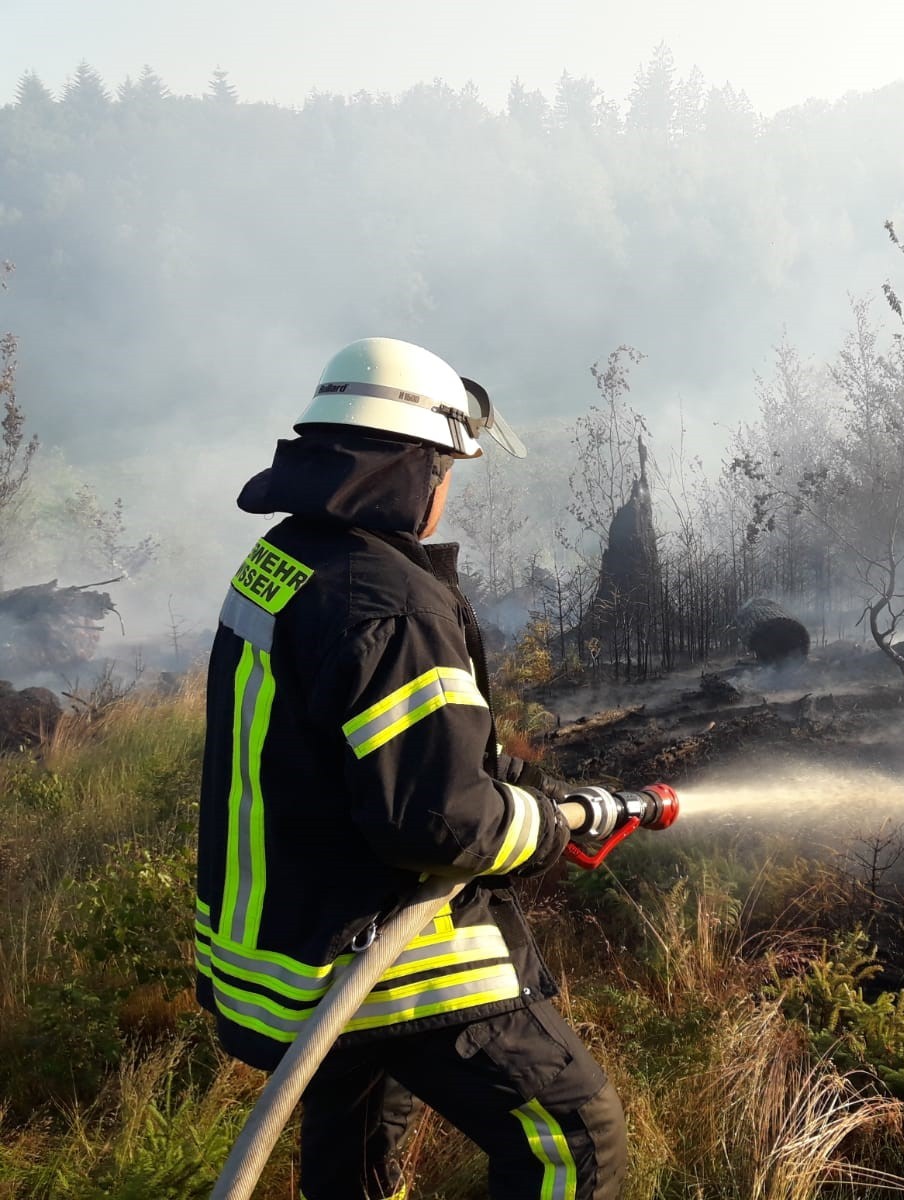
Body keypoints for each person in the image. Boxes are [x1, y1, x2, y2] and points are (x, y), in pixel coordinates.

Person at [195, 337, 625, 1200]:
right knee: (573, 1142)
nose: (448, 491)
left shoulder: (287, 558)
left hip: (276, 956)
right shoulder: (387, 604)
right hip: (365, 954)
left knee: (356, 1149)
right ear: (417, 470)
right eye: (448, 470)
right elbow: (440, 823)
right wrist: (548, 821)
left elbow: (356, 749)